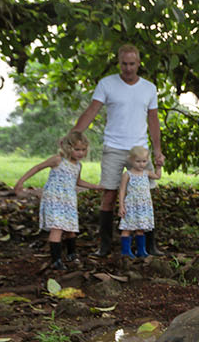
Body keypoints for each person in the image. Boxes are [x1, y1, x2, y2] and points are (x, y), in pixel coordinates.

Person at [73, 43, 166, 257]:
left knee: (145, 194)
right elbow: (91, 111)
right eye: (124, 63)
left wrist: (157, 150)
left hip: (139, 149)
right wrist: (73, 134)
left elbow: (154, 120)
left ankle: (149, 246)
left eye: (132, 63)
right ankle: (104, 245)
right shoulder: (107, 84)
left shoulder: (149, 88)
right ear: (119, 62)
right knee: (109, 194)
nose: (128, 68)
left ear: (139, 63)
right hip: (114, 146)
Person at [13, 130, 102, 269]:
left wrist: (95, 186)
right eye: (77, 149)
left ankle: (72, 254)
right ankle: (56, 260)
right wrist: (21, 181)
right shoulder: (58, 160)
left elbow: (78, 181)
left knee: (70, 228)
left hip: (69, 199)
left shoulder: (78, 165)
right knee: (58, 228)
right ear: (68, 147)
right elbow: (38, 167)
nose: (80, 153)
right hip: (54, 198)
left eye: (83, 150)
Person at [117, 146, 160, 257]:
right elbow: (122, 190)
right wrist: (121, 206)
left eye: (144, 161)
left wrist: (159, 166)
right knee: (127, 228)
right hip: (131, 205)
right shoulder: (127, 174)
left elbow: (157, 176)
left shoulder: (147, 173)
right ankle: (125, 251)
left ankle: (141, 250)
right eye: (138, 161)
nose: (141, 164)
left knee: (140, 228)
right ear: (131, 160)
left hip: (143, 206)